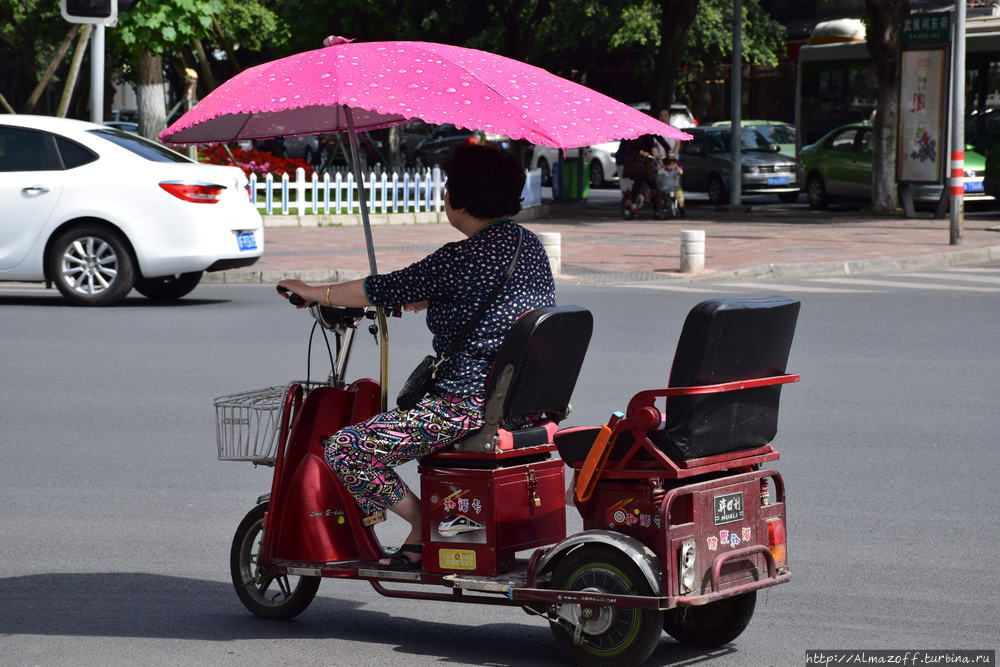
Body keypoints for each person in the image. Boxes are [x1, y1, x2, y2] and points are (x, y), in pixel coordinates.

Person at [276, 144, 556, 569]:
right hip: (524, 403)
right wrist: (427, 301)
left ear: (458, 199)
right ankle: (429, 527)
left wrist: (315, 292)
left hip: (465, 407)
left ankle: (427, 523)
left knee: (347, 448)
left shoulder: (459, 257)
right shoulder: (528, 246)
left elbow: (379, 290)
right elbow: (493, 303)